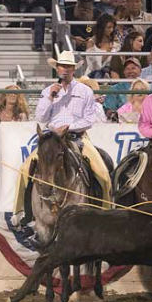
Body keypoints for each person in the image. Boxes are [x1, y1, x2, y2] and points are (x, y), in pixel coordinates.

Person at [35, 50, 112, 203]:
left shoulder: (85, 91)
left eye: (68, 66)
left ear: (73, 69)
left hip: (77, 139)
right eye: (62, 66)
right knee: (25, 170)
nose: (65, 69)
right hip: (51, 140)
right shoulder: (47, 91)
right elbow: (40, 117)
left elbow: (89, 120)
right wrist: (50, 97)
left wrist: (68, 127)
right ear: (57, 68)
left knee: (102, 172)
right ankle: (24, 213)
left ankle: (105, 206)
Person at [84, 13, 120, 78]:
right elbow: (93, 66)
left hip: (111, 76)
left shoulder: (115, 43)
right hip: (93, 75)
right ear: (102, 28)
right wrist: (107, 54)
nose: (111, 30)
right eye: (109, 27)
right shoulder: (91, 43)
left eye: (113, 27)